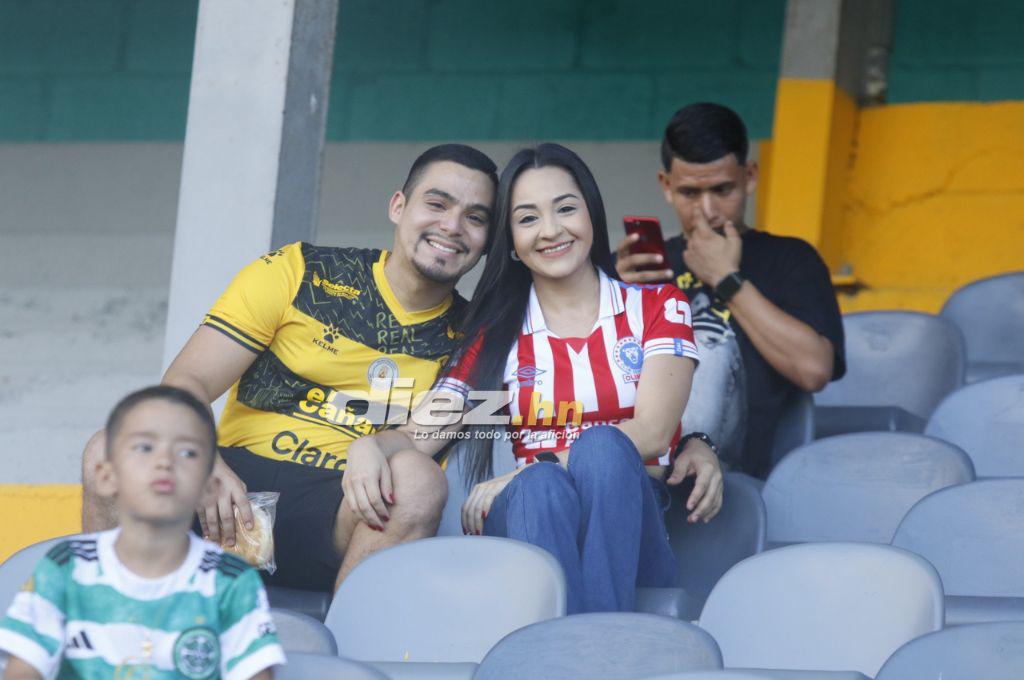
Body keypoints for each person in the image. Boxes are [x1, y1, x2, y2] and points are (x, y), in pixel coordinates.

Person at [80, 144, 498, 593]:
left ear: (488, 241)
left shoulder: (479, 338)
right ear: (398, 206)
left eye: (475, 217)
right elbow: (186, 382)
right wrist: (203, 461)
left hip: (347, 507)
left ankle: (352, 648)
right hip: (226, 493)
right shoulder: (299, 270)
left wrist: (373, 446)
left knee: (418, 480)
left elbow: (419, 440)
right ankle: (106, 632)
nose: (452, 226)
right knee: (112, 447)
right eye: (437, 204)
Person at [345, 144, 723, 614]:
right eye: (527, 219)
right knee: (543, 489)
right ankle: (579, 650)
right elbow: (420, 435)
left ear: (591, 215)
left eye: (565, 209)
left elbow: (649, 432)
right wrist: (369, 447)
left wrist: (527, 470)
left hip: (634, 524)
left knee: (602, 449)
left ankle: (586, 645)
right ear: (511, 242)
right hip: (533, 516)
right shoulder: (494, 334)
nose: (550, 230)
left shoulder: (658, 307)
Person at [615, 103, 846, 478]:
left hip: (730, 462)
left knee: (702, 346)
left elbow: (813, 370)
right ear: (666, 187)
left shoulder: (791, 259)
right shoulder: (635, 269)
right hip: (632, 445)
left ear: (750, 177)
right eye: (690, 193)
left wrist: (727, 281)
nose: (707, 211)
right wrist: (613, 300)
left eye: (722, 190)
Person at [0, 385, 285, 680]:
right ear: (106, 477)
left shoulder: (231, 581)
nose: (164, 461)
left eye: (187, 452)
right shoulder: (64, 568)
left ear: (209, 487)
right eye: (144, 448)